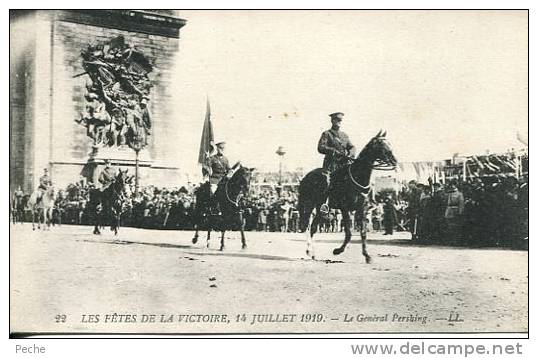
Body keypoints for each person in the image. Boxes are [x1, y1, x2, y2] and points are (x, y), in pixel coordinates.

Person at [317, 112, 356, 212]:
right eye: (336, 120)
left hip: (343, 165)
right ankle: (324, 204)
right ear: (332, 121)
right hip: (331, 165)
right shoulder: (327, 134)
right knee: (327, 181)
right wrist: (332, 151)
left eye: (340, 121)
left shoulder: (344, 136)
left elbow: (352, 147)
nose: (338, 122)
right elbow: (321, 147)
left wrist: (350, 154)